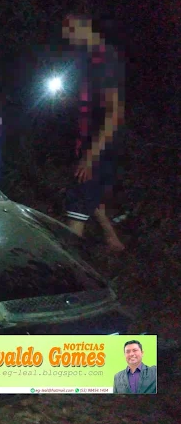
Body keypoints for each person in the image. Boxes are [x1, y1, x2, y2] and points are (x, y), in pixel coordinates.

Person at [61, 14, 126, 251]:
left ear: (85, 26)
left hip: (99, 146)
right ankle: (111, 237)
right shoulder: (89, 60)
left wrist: (90, 157)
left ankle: (65, 262)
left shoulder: (105, 61)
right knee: (89, 192)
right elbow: (92, 105)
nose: (66, 35)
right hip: (89, 142)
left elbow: (113, 113)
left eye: (69, 29)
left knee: (77, 204)